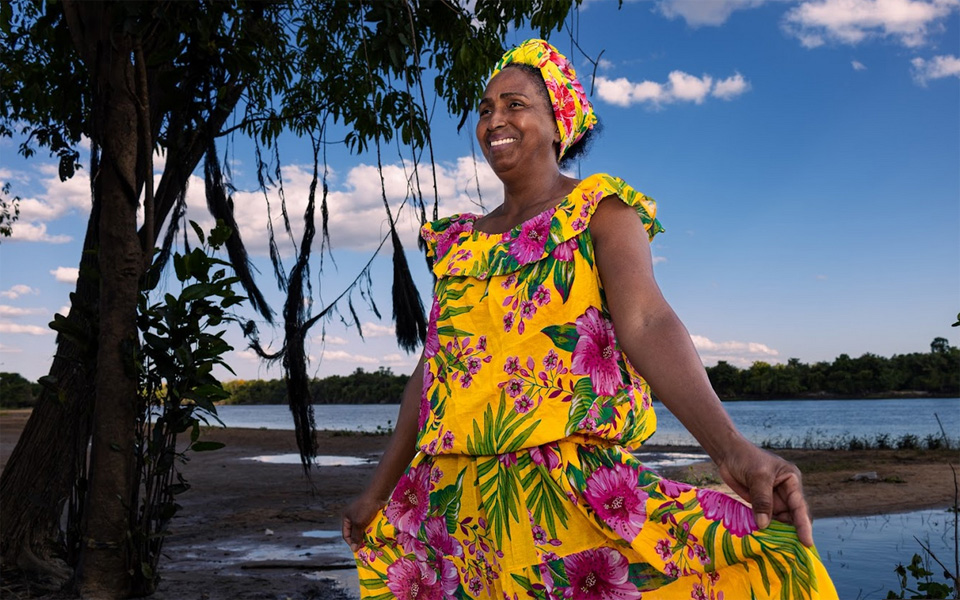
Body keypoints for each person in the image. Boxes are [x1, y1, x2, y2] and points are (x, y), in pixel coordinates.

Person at [342, 39, 838, 599]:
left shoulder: (599, 211)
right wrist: (379, 492)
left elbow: (647, 322)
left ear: (559, 123)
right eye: (485, 109)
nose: (494, 120)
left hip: (565, 495)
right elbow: (435, 372)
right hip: (456, 509)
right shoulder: (458, 245)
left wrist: (731, 450)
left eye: (514, 105)